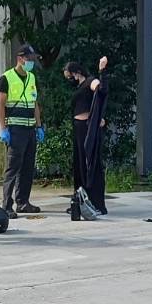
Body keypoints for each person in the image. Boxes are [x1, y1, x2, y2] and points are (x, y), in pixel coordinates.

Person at [0, 44, 44, 215]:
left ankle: (23, 202)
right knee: (13, 167)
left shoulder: (32, 77)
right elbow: (0, 104)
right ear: (20, 58)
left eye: (33, 59)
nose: (31, 62)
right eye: (29, 59)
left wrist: (39, 126)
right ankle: (7, 205)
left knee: (28, 167)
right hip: (15, 129)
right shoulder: (6, 78)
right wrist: (3, 129)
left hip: (30, 128)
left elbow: (35, 103)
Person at [66, 55, 109, 216]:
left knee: (91, 163)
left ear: (76, 72)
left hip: (87, 128)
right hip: (78, 128)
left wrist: (102, 70)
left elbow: (100, 89)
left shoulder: (89, 81)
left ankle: (97, 202)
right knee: (79, 165)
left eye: (70, 76)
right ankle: (80, 201)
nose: (69, 79)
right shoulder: (78, 87)